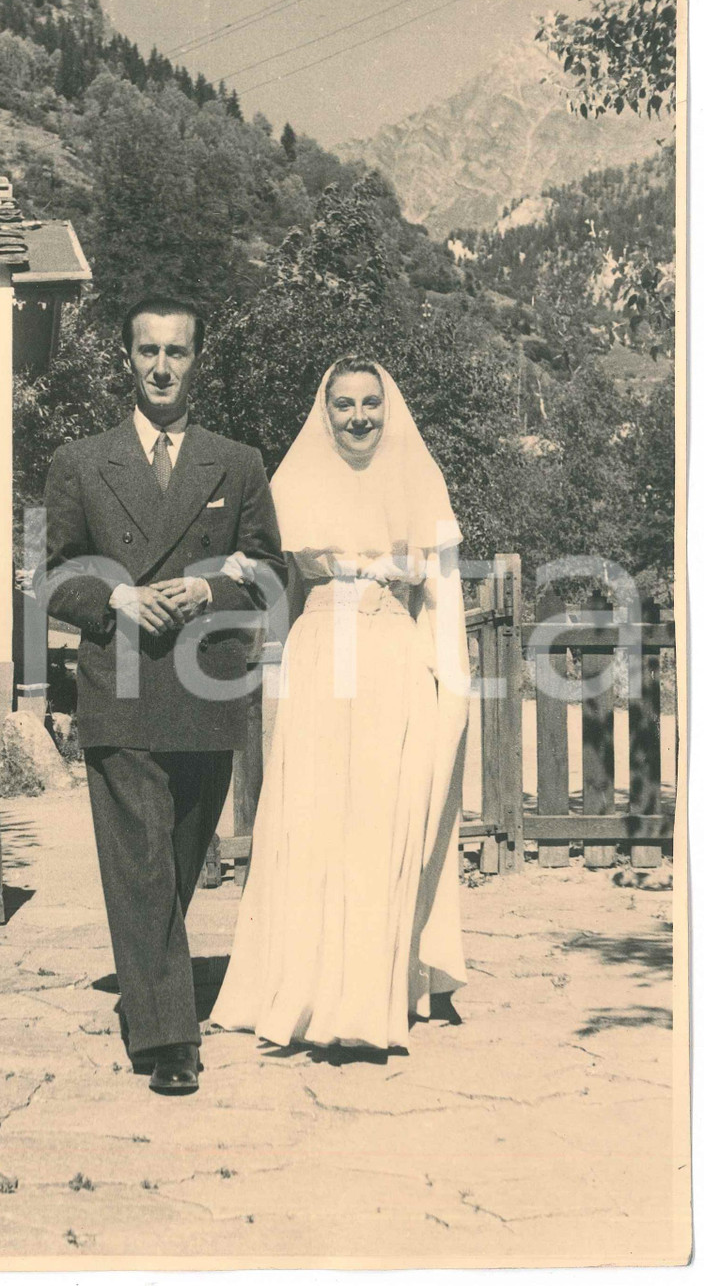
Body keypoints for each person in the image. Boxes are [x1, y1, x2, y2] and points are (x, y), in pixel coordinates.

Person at [39, 297, 285, 1094]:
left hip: (206, 688)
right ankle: (171, 1039)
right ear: (127, 359)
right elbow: (54, 577)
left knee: (172, 866)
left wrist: (210, 590)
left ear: (197, 360)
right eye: (147, 351)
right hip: (120, 683)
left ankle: (148, 989)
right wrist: (117, 597)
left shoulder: (237, 462)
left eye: (176, 352)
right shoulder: (82, 461)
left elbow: (273, 574)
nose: (161, 367)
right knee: (141, 866)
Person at [210, 356, 470, 1054]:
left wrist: (450, 685)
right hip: (321, 657)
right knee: (314, 817)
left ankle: (370, 999)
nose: (358, 417)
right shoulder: (294, 482)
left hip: (391, 661)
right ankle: (302, 990)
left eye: (370, 404)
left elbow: (444, 599)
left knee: (380, 820)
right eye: (344, 404)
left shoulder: (419, 480)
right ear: (325, 412)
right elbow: (271, 581)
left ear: (388, 409)